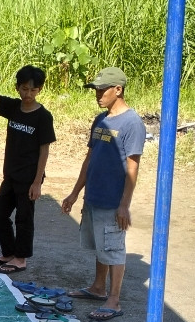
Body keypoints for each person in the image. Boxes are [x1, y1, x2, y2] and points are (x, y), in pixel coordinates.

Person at [61, 69, 147, 308]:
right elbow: (90, 158)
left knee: (113, 247)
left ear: (118, 89)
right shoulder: (100, 120)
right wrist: (76, 192)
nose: (98, 95)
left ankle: (114, 299)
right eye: (96, 90)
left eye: (102, 90)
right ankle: (98, 288)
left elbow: (132, 167)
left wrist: (124, 205)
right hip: (93, 196)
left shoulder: (132, 123)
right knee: (101, 245)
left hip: (112, 200)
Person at [0, 50, 55, 271]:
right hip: (11, 175)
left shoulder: (43, 117)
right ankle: (8, 253)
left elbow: (44, 150)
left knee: (24, 219)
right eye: (24, 89)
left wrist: (37, 182)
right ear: (17, 87)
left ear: (39, 90)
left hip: (29, 178)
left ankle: (21, 259)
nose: (28, 94)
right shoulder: (13, 108)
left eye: (33, 89)